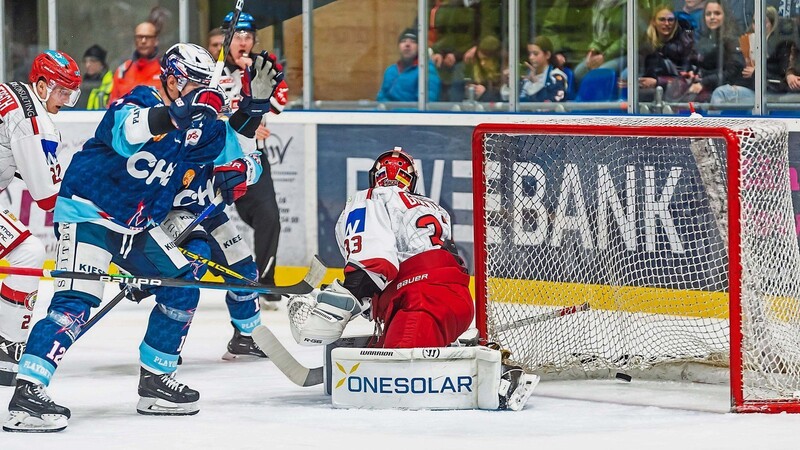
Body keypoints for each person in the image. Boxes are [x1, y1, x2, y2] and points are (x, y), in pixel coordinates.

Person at [3, 42, 280, 432]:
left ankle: (155, 382)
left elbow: (239, 155)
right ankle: (28, 393)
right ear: (173, 79)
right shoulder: (138, 99)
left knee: (182, 285)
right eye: (194, 85)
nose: (202, 94)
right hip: (90, 213)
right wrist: (180, 113)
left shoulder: (202, 124)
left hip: (139, 225)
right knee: (76, 303)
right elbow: (125, 134)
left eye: (205, 86)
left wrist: (252, 114)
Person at [294, 148, 473, 349]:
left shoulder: (372, 197)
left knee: (399, 373)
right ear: (410, 180)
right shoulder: (436, 208)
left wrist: (338, 306)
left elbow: (373, 263)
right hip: (460, 300)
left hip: (420, 304)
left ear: (376, 177)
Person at [0, 50, 81, 387]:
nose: (65, 101)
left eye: (71, 94)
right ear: (43, 85)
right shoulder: (34, 120)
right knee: (27, 252)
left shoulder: (10, 90)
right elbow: (48, 197)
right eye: (62, 92)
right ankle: (8, 348)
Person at [216, 11, 289, 309]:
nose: (243, 42)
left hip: (249, 157)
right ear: (225, 39)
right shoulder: (210, 68)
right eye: (237, 36)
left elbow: (278, 105)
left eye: (248, 36)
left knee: (269, 216)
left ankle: (265, 281)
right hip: (211, 157)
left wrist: (253, 79)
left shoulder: (262, 66)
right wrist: (238, 120)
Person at [676, 0, 745, 104]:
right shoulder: (706, 38)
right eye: (708, 14)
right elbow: (709, 67)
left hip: (728, 92)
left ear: (725, 16)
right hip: (710, 86)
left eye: (717, 13)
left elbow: (732, 72)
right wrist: (695, 74)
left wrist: (704, 83)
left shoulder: (732, 39)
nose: (712, 17)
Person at [638, 5, 696, 102]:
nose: (667, 23)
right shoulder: (645, 46)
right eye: (662, 19)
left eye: (670, 20)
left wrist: (657, 82)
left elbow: (685, 79)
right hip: (650, 92)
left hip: (675, 94)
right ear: (653, 22)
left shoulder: (682, 46)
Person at [377, 28, 441, 102]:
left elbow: (426, 105)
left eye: (413, 42)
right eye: (403, 41)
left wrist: (395, 112)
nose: (407, 45)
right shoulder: (390, 71)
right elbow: (381, 98)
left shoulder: (426, 70)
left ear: (419, 48)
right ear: (398, 46)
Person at [107, 21, 162, 104]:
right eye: (140, 37)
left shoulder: (165, 70)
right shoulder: (123, 71)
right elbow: (112, 105)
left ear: (156, 40)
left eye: (148, 37)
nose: (143, 41)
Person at [573, 0, 627, 84]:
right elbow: (598, 34)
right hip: (603, 52)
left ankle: (603, 96)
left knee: (600, 72)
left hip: (625, 54)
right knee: (579, 71)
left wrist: (605, 56)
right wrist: (593, 50)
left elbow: (628, 38)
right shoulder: (598, 5)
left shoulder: (627, 5)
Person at [519, 36, 569, 103]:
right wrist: (508, 84)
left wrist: (536, 83)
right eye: (529, 54)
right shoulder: (526, 76)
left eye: (535, 54)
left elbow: (549, 104)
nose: (531, 57)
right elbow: (512, 102)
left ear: (547, 55)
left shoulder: (556, 77)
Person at [75, 45, 113, 110]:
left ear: (102, 64)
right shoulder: (82, 84)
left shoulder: (112, 82)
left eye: (92, 61)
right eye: (85, 61)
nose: (88, 65)